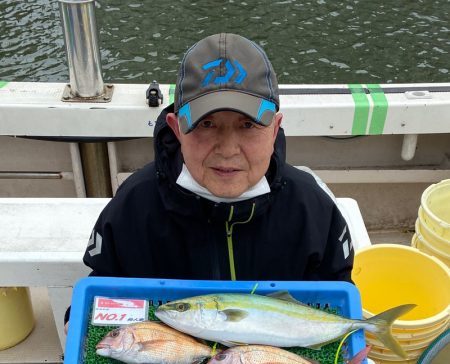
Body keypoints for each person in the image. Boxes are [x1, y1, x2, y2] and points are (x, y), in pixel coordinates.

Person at [65, 32, 353, 325]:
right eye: (206, 123)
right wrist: (75, 319)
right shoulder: (133, 205)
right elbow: (102, 286)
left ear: (275, 127)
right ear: (177, 129)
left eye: (248, 124)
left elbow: (338, 290)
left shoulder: (312, 207)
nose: (228, 150)